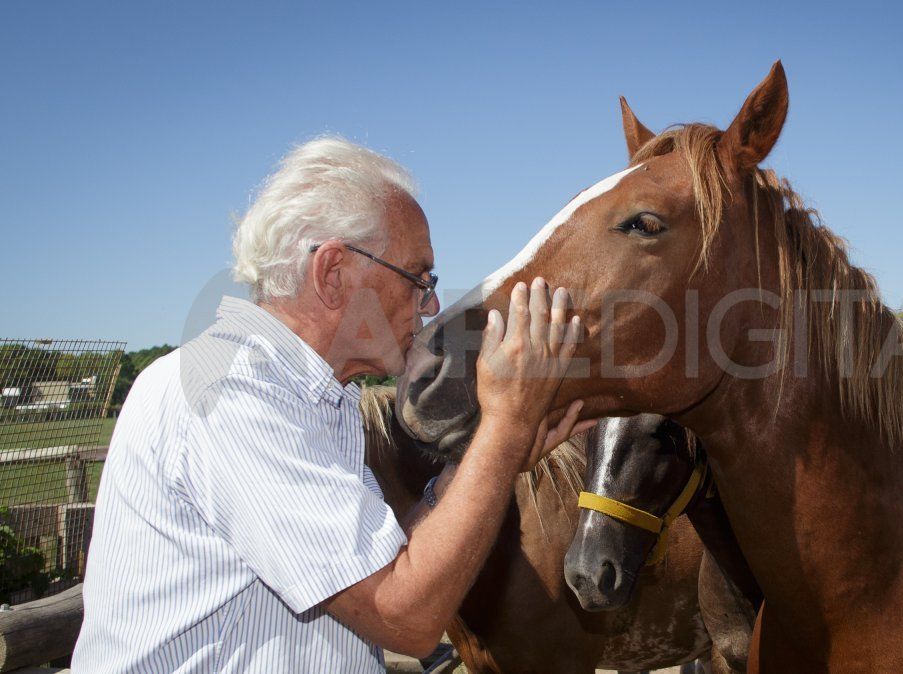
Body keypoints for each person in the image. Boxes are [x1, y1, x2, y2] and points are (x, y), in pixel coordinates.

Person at [73, 137, 592, 673]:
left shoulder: (320, 397)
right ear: (334, 273)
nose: (432, 304)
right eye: (420, 277)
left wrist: (476, 461)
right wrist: (504, 430)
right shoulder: (233, 391)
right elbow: (406, 618)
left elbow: (385, 566)